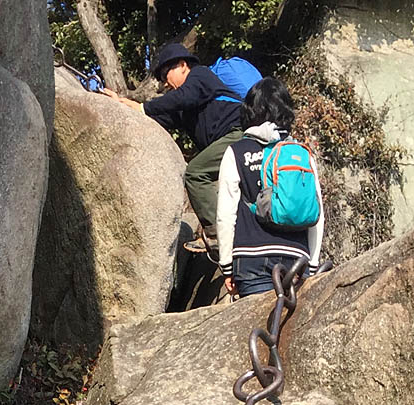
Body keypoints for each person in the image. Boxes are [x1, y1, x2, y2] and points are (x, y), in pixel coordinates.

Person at [102, 43, 243, 253]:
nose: (166, 82)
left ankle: (217, 235)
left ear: (183, 65)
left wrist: (142, 106)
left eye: (166, 74)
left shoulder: (200, 76)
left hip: (238, 134)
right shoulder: (185, 105)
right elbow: (158, 116)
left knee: (196, 173)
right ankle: (231, 232)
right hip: (227, 142)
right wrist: (122, 106)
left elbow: (181, 97)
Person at [216, 77, 324, 297]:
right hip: (296, 259)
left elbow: (226, 214)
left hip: (250, 259)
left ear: (249, 111)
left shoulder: (236, 152)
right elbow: (317, 214)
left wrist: (227, 265)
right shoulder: (300, 154)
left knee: (254, 327)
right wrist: (312, 264)